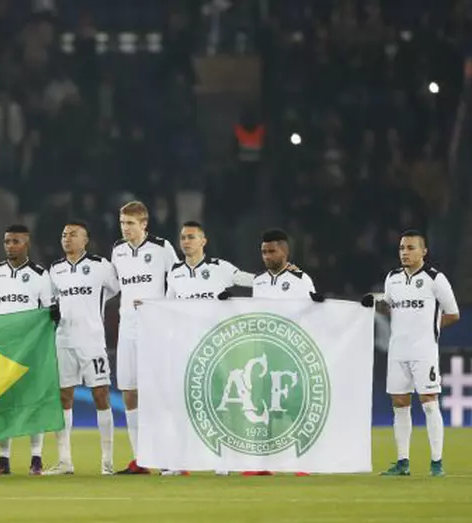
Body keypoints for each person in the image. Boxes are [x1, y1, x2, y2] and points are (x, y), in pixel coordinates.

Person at [222, 228, 322, 477]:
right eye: (263, 252)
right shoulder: (259, 281)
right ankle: (262, 464)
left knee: (293, 406)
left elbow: (314, 311)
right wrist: (231, 301)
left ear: (284, 251)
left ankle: (303, 462)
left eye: (272, 251)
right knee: (263, 406)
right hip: (264, 351)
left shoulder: (301, 280)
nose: (267, 256)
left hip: (292, 351)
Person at [163, 220, 255, 476]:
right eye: (183, 237)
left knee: (220, 403)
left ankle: (223, 459)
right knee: (180, 404)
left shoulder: (220, 268)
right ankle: (180, 462)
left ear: (204, 241)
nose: (186, 242)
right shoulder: (175, 272)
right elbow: (167, 307)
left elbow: (252, 281)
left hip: (215, 348)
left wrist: (279, 277)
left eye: (191, 237)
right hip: (183, 346)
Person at [365, 230, 459, 477]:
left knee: (429, 402)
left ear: (423, 251)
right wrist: (374, 305)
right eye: (402, 248)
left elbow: (453, 313)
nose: (405, 253)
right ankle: (402, 461)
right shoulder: (392, 278)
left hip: (424, 351)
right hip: (397, 351)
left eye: (410, 248)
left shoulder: (435, 279)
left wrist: (430, 329)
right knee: (399, 404)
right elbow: (391, 308)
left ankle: (436, 462)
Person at [46, 220, 119, 476]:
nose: (67, 238)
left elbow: (114, 290)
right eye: (64, 234)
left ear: (85, 240)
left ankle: (107, 462)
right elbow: (51, 301)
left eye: (73, 235)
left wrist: (90, 309)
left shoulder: (101, 266)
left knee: (101, 395)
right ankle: (65, 461)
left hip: (92, 341)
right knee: (63, 398)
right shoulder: (55, 269)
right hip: (63, 340)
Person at [110, 201, 178, 475]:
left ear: (144, 224)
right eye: (122, 223)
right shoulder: (117, 250)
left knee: (159, 394)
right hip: (128, 328)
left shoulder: (162, 248)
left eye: (130, 223)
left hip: (155, 329)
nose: (125, 229)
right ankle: (141, 459)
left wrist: (160, 307)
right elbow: (116, 285)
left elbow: (178, 281)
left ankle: (170, 458)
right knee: (129, 391)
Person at [0, 224, 53, 475]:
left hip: (31, 347)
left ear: (27, 244)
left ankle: (36, 458)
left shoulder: (40, 274)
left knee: (32, 402)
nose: (10, 245)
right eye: (7, 241)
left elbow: (49, 311)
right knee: (4, 403)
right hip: (3, 348)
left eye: (15, 241)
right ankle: (3, 459)